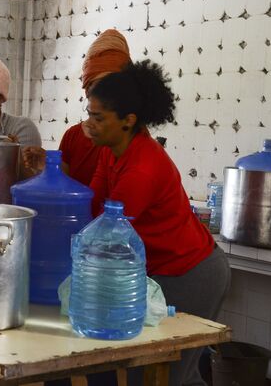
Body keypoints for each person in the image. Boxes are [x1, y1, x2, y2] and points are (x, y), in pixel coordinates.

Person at [85, 60, 231, 386]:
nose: (89, 124)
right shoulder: (112, 151)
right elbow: (91, 205)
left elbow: (106, 233)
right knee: (175, 374)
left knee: (162, 374)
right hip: (162, 269)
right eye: (89, 114)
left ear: (128, 121)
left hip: (190, 273)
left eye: (98, 118)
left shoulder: (142, 168)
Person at [23, 29, 131, 185]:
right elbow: (66, 186)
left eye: (112, 86)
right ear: (87, 89)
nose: (105, 94)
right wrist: (47, 165)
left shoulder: (128, 137)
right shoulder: (72, 136)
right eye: (98, 86)